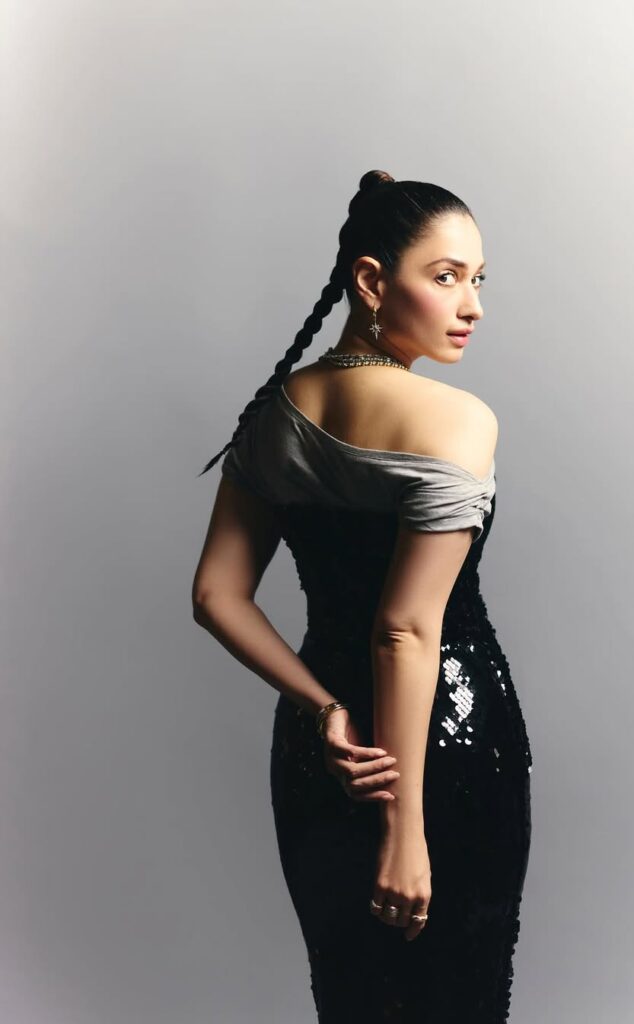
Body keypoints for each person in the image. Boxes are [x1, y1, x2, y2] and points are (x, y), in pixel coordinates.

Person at [192, 170, 533, 1022]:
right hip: (450, 752)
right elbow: (405, 631)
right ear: (372, 281)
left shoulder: (273, 415)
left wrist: (324, 712)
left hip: (322, 753)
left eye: (478, 279)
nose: (472, 306)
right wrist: (404, 830)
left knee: (350, 998)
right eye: (446, 277)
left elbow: (217, 595)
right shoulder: (457, 420)